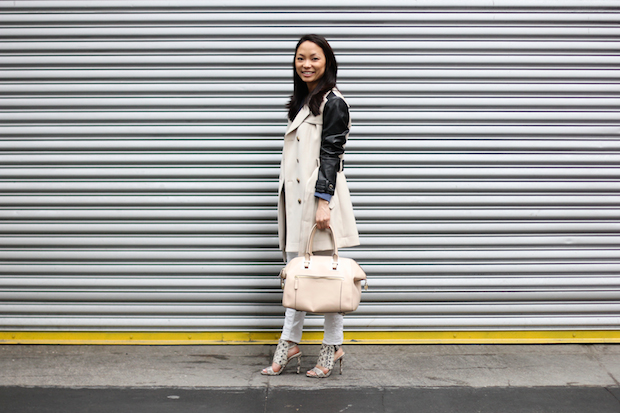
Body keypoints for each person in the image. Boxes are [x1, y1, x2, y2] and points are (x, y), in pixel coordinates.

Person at [261, 34, 360, 378]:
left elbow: (332, 154)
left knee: (329, 281)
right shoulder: (304, 101)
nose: (306, 64)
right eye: (300, 58)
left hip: (319, 203)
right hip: (298, 204)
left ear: (327, 62)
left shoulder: (334, 102)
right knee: (297, 279)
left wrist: (323, 202)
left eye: (314, 58)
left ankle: (332, 346)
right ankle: (291, 342)